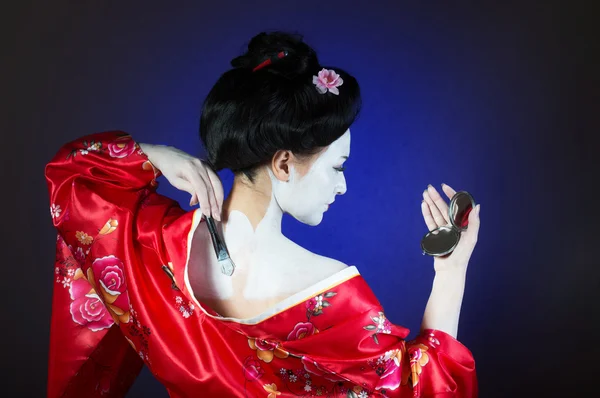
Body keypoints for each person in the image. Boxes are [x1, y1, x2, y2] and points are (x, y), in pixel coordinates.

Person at [45, 31, 480, 398]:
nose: (343, 185)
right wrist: (451, 271)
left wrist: (157, 156)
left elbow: (74, 178)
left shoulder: (156, 245)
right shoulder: (330, 296)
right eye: (337, 167)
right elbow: (419, 389)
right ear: (285, 163)